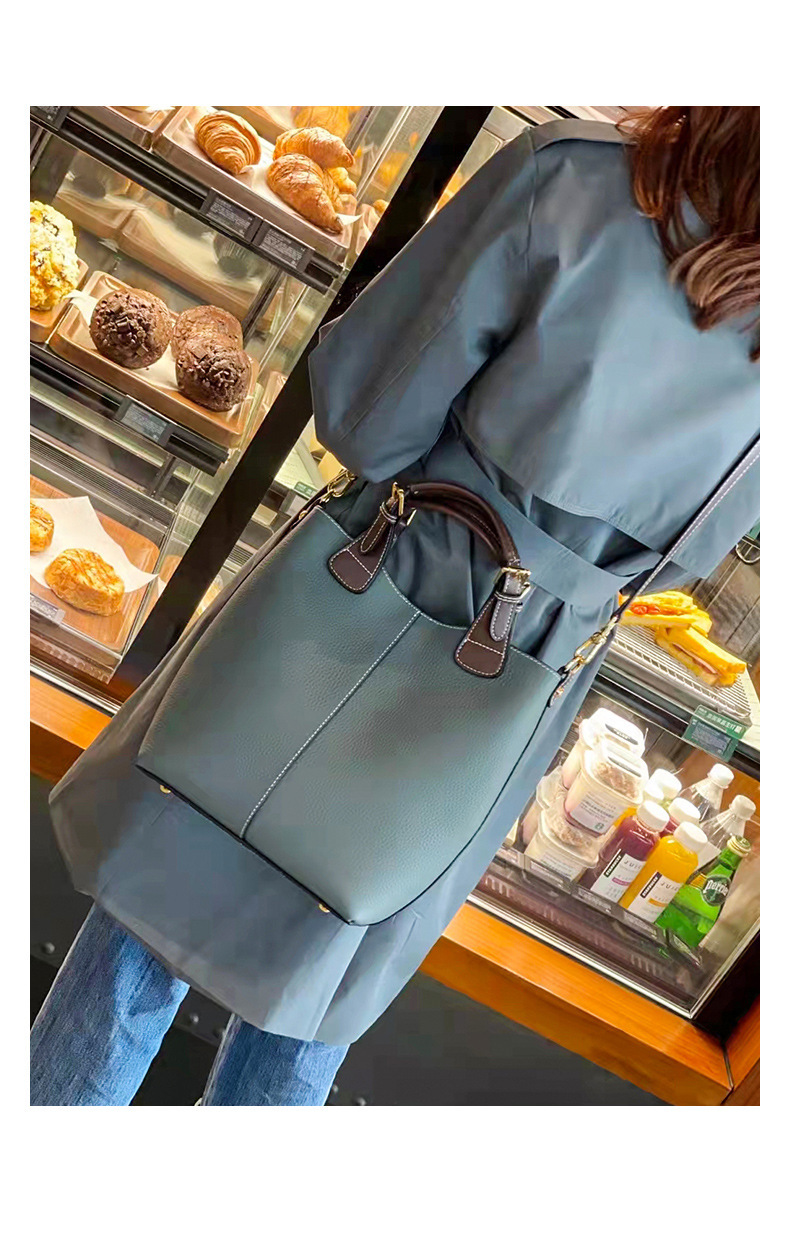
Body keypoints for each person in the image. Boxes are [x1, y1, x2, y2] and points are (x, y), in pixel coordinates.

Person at [31, 106, 759, 1105]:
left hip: (376, 564)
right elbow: (686, 560)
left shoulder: (575, 178)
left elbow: (366, 416)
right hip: (530, 663)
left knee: (168, 887)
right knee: (334, 956)